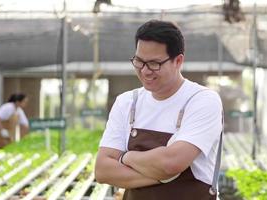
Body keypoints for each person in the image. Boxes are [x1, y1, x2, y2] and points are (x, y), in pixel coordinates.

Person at [95, 20, 223, 200]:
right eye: (139, 61)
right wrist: (162, 174)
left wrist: (125, 158)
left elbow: (171, 163)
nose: (145, 71)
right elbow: (102, 170)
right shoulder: (128, 102)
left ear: (178, 61)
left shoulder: (201, 100)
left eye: (154, 63)